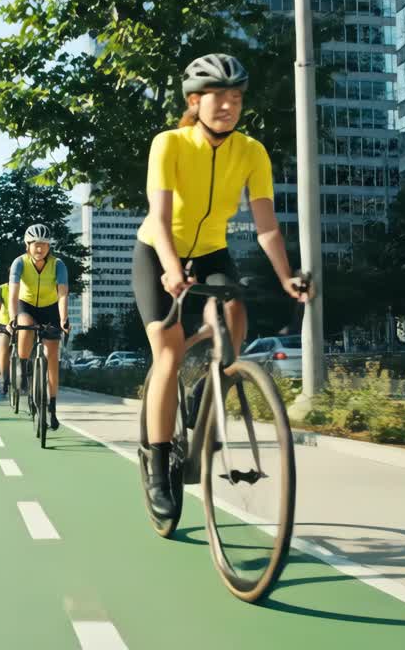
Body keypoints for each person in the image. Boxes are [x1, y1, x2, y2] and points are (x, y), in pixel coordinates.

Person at [134, 53, 308, 520]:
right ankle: (157, 466)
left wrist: (287, 276)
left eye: (236, 97)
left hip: (211, 251)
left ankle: (204, 392)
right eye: (218, 97)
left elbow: (267, 227)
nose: (229, 106)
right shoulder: (169, 144)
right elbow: (160, 219)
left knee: (234, 317)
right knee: (168, 354)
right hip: (157, 251)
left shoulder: (251, 151)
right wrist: (172, 270)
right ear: (195, 101)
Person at [9, 223, 70, 431]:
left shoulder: (58, 265)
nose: (40, 248)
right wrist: (12, 318)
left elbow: (62, 294)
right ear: (27, 245)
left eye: (44, 244)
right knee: (25, 325)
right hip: (26, 305)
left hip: (50, 308)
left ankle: (52, 407)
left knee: (52, 357)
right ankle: (23, 366)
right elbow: (13, 294)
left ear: (49, 246)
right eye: (35, 244)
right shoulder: (19, 263)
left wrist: (64, 319)